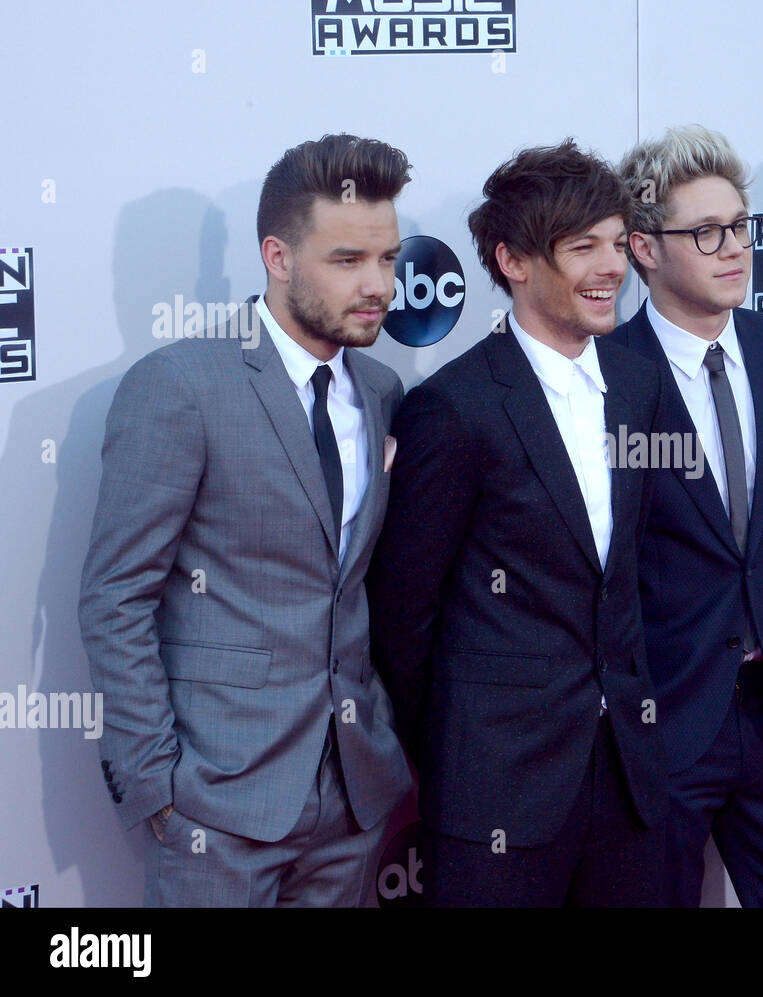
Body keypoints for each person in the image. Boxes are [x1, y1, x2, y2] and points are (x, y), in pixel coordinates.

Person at [79, 134, 414, 906]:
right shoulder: (180, 385)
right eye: (347, 260)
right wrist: (155, 782)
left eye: (388, 259)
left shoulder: (383, 389)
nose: (378, 286)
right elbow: (114, 596)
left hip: (353, 800)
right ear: (278, 255)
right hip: (215, 804)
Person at [367, 140, 668, 907]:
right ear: (514, 261)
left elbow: (630, 576)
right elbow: (405, 616)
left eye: (614, 241)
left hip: (629, 781)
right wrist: (461, 752)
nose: (611, 266)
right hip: (495, 792)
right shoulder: (455, 408)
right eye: (582, 247)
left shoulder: (637, 385)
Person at [613, 126, 763, 907]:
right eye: (706, 232)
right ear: (644, 249)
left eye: (741, 227)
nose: (733, 249)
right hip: (667, 722)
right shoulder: (609, 376)